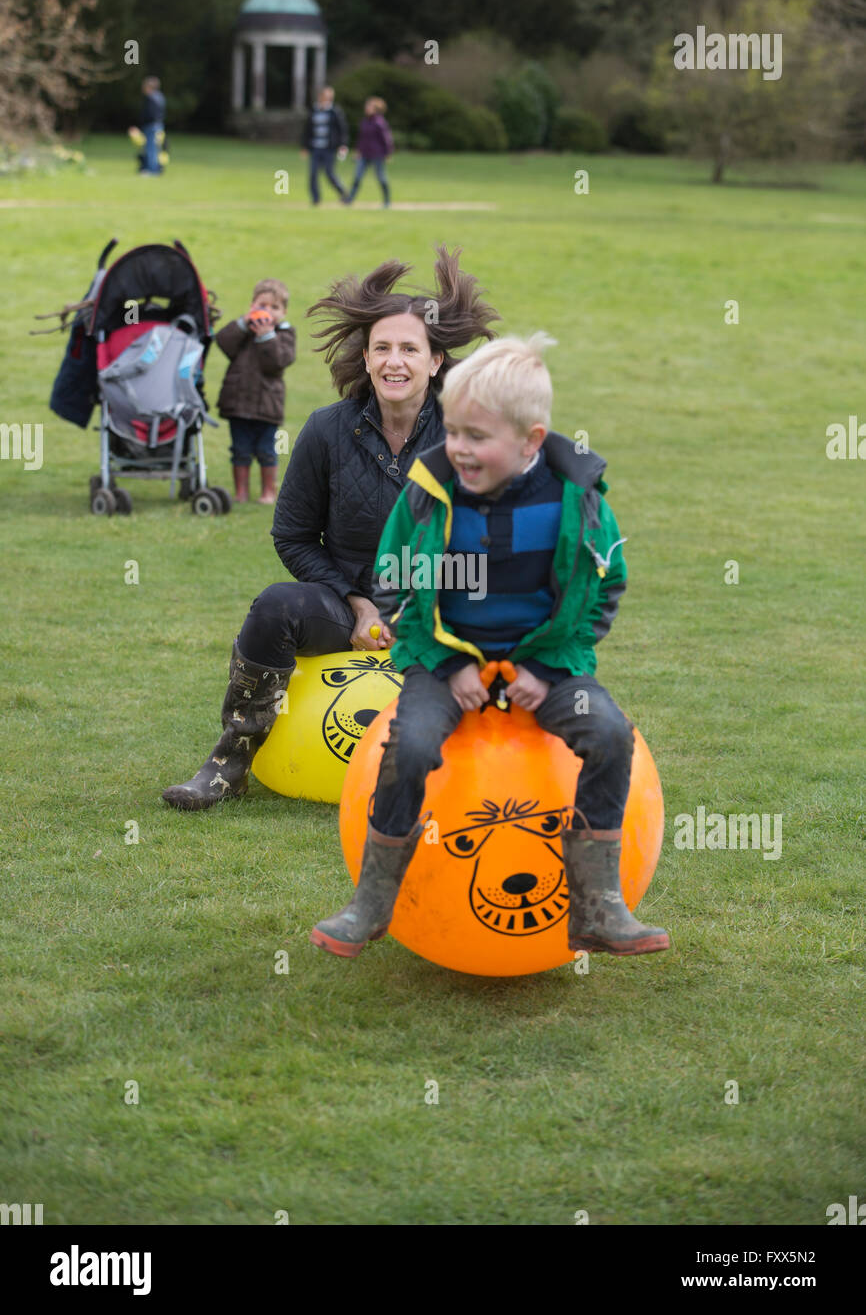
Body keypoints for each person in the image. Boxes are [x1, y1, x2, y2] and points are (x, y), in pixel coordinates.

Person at [310, 335, 671, 960]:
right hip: (443, 664)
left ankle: (597, 907)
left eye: (477, 437)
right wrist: (448, 667)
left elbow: (604, 587)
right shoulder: (428, 491)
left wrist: (546, 666)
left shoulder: (578, 500)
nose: (458, 449)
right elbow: (391, 581)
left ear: (531, 441)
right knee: (413, 744)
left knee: (609, 734)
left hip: (549, 667)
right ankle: (372, 901)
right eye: (452, 431)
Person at [161, 246, 499, 811]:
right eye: (382, 348)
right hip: (345, 601)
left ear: (436, 361)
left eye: (409, 349)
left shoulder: (468, 437)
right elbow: (292, 535)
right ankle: (230, 763)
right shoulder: (325, 431)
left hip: (444, 606)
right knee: (274, 606)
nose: (395, 361)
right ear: (365, 358)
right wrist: (359, 604)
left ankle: (483, 773)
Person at [215, 279, 296, 504]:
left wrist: (266, 337)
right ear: (252, 306)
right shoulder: (243, 331)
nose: (267, 312)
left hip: (267, 406)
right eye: (262, 305)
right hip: (238, 404)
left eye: (275, 307)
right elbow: (222, 342)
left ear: (284, 312)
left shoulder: (284, 335)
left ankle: (268, 492)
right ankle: (241, 492)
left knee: (266, 450)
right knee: (239, 450)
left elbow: (277, 362)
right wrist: (243, 324)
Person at [300, 85, 350, 206]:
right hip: (316, 147)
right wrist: (305, 146)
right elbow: (307, 129)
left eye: (329, 97)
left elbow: (342, 130)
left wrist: (343, 145)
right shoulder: (314, 110)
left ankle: (344, 193)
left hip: (330, 148)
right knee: (313, 173)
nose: (327, 99)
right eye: (325, 96)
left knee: (329, 173)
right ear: (320, 97)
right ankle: (316, 199)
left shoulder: (335, 111)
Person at [345, 97, 394, 207]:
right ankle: (349, 199)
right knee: (357, 176)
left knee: (381, 178)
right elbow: (361, 139)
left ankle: (387, 201)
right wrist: (358, 151)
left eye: (369, 106)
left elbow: (386, 139)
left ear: (375, 109)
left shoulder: (380, 122)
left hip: (377, 154)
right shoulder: (365, 122)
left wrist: (388, 153)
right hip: (364, 154)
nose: (366, 108)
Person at [136, 77, 166, 176]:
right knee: (155, 148)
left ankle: (152, 170)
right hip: (158, 126)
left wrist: (141, 124)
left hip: (151, 126)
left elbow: (149, 114)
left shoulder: (151, 98)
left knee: (151, 148)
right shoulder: (160, 97)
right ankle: (154, 168)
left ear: (149, 87)